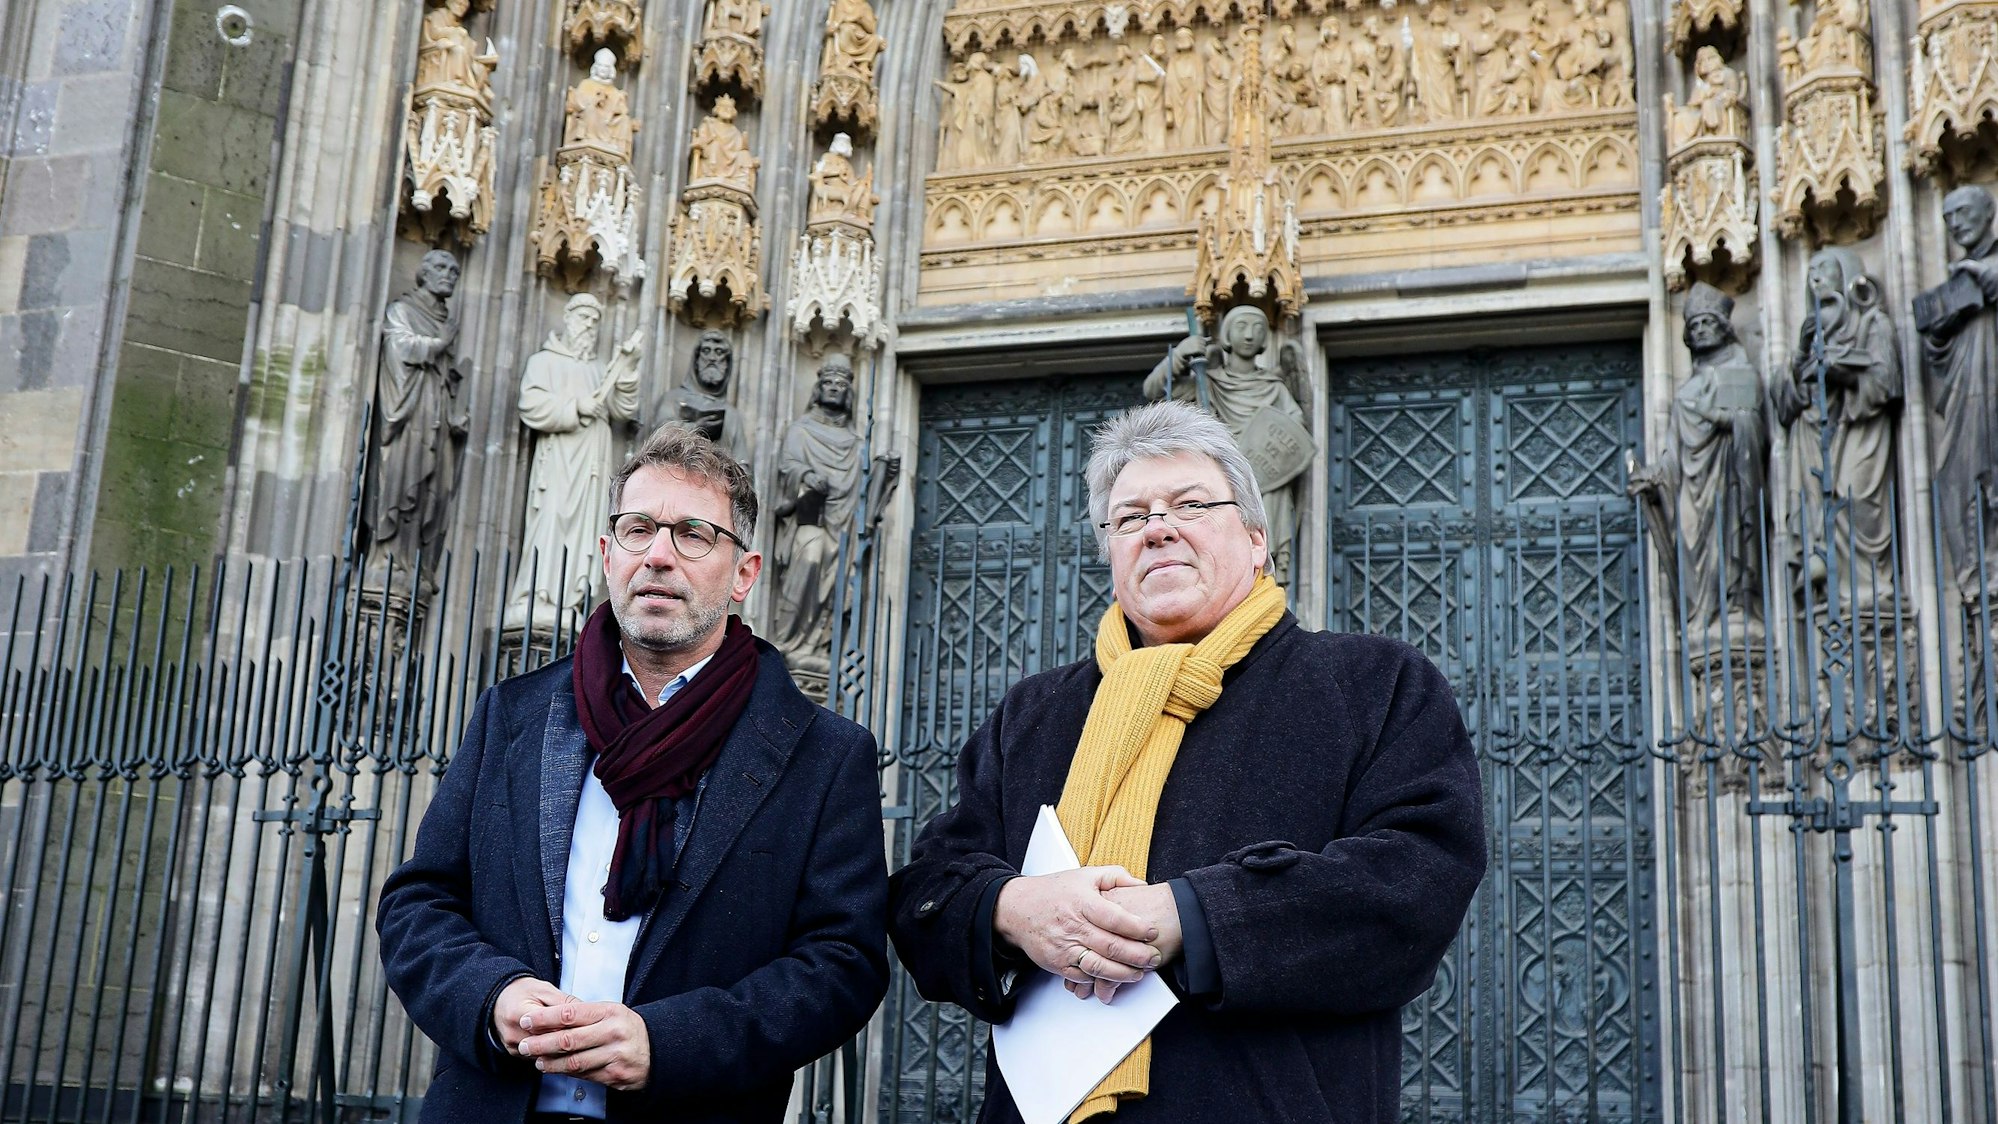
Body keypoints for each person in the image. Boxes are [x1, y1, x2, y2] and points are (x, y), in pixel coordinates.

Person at [887, 401, 1486, 1123]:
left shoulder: (1372, 683)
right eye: (1130, 517)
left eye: (1191, 505)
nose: (1158, 528)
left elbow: (1417, 884)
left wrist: (1191, 917)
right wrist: (1010, 910)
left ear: (1258, 540)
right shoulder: (1034, 713)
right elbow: (925, 896)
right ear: (1111, 553)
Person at [379, 426, 889, 1123]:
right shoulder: (513, 716)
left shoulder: (821, 755)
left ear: (744, 574)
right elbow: (418, 904)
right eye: (638, 529)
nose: (658, 555)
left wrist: (667, 1044)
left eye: (693, 534)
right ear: (607, 554)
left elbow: (842, 964)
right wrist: (492, 997)